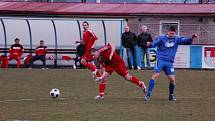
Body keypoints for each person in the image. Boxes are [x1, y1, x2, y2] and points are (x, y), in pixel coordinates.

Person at [144, 26, 197, 101]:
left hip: (169, 62)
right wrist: (150, 44)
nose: (171, 34)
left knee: (172, 80)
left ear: (175, 33)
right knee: (156, 75)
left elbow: (186, 41)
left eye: (173, 33)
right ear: (167, 32)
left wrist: (192, 38)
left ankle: (171, 95)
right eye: (170, 33)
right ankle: (148, 94)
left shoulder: (177, 39)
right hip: (161, 60)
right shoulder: (161, 38)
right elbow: (154, 44)